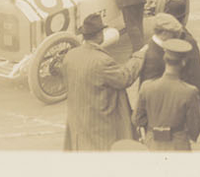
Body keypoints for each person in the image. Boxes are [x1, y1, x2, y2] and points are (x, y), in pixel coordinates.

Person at [62, 13, 147, 150]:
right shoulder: (102, 61)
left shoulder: (70, 56)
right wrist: (139, 56)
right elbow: (124, 78)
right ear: (100, 35)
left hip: (77, 123)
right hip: (99, 127)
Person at [132, 38, 200, 150]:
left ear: (165, 59)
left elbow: (137, 118)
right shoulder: (189, 91)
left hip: (152, 144)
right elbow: (195, 123)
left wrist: (153, 126)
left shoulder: (146, 87)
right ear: (183, 62)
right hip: (178, 144)